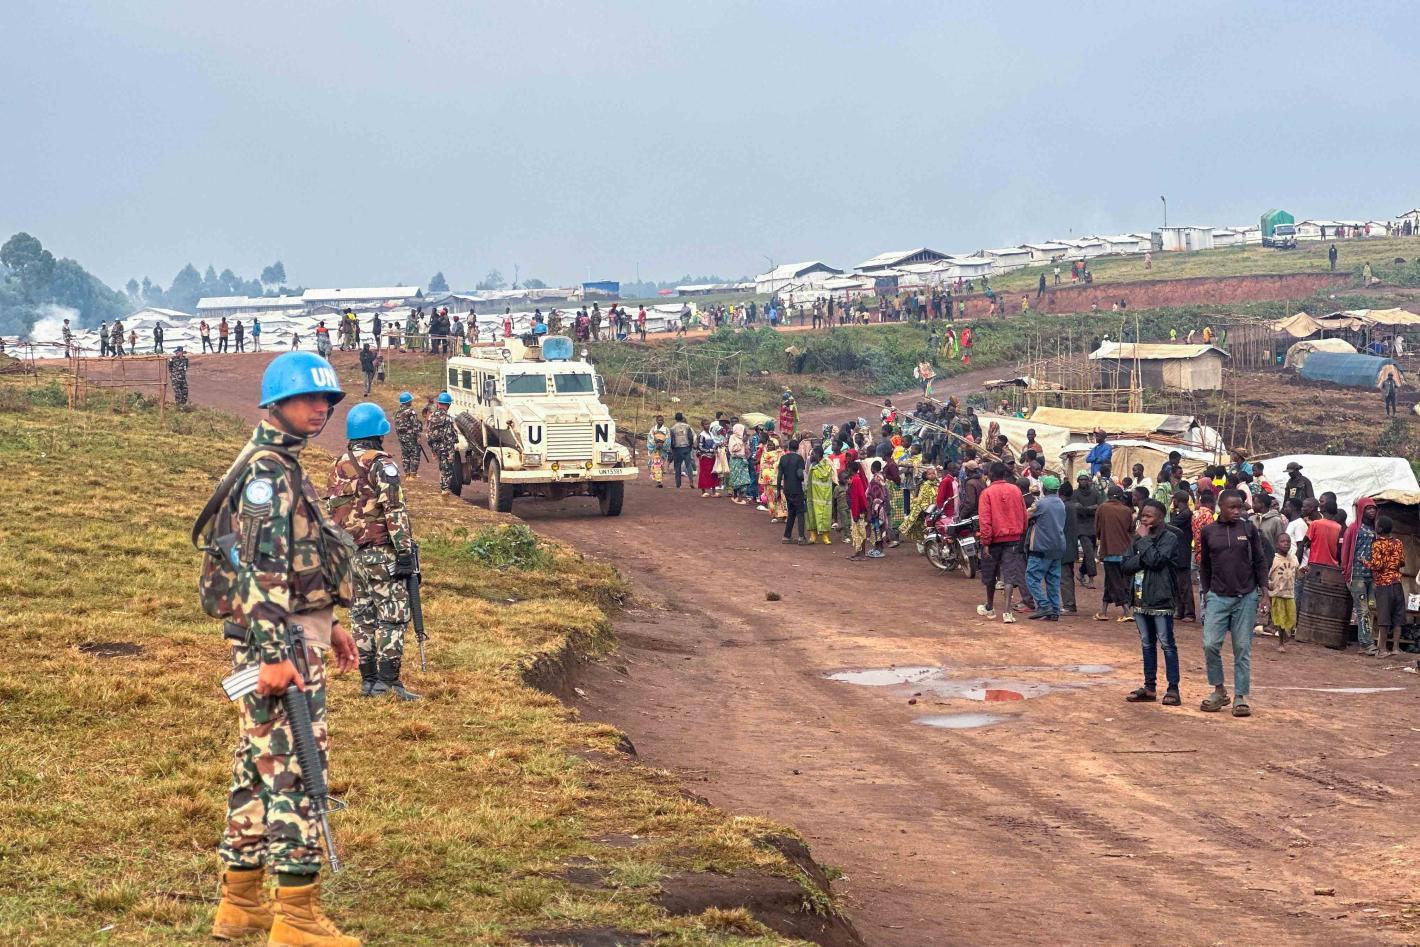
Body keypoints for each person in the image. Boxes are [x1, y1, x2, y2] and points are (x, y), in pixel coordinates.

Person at [200, 350, 360, 946]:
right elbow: (262, 573)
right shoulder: (268, 473)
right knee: (294, 771)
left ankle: (239, 905)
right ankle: (296, 918)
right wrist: (274, 657)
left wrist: (330, 620)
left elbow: (298, 562)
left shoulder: (284, 464)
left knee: (256, 770)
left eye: (327, 400)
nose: (321, 409)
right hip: (280, 644)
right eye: (310, 399)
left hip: (294, 631)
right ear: (277, 403)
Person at [325, 402, 419, 701]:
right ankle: (389, 683)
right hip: (381, 551)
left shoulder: (339, 464)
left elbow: (334, 511)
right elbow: (394, 509)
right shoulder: (382, 464)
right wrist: (404, 552)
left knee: (362, 615)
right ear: (378, 432)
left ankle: (368, 682)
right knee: (392, 615)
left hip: (352, 555)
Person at [1198, 489, 1268, 717]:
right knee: (1210, 644)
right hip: (1217, 596)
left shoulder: (1249, 529)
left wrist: (1264, 591)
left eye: (1240, 507)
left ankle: (1240, 697)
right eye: (1233, 507)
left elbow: (1259, 560)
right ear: (1221, 507)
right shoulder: (1208, 531)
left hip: (1246, 597)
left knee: (1242, 648)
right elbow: (1205, 565)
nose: (1238, 511)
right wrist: (1208, 593)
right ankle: (1219, 690)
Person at [1122, 499, 1182, 705]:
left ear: (1160, 517)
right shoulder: (1138, 537)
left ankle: (1173, 688)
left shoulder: (1170, 538)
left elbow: (1157, 561)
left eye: (1149, 515)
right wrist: (1143, 554)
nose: (1143, 518)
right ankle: (1149, 687)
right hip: (1139, 598)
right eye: (1142, 515)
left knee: (1167, 644)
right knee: (1147, 643)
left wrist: (1144, 544)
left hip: (1161, 599)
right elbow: (1126, 565)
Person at [977, 461, 1027, 623]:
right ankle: (1007, 612)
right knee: (1009, 575)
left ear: (991, 475)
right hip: (1013, 538)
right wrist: (1021, 531)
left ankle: (990, 606)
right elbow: (1023, 513)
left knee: (990, 574)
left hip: (993, 540)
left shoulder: (987, 493)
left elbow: (985, 520)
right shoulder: (1016, 490)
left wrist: (985, 542)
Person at [1025, 476, 1066, 620]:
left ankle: (1044, 605)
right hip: (1058, 546)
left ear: (1044, 488)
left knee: (1031, 577)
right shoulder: (1060, 503)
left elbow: (1026, 516)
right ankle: (1055, 611)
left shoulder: (1041, 504)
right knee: (1053, 580)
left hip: (1041, 547)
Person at [1340, 497, 1378, 654]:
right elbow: (1346, 550)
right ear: (1361, 509)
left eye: (1374, 508)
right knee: (1362, 609)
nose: (1372, 511)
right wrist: (1345, 571)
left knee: (1370, 608)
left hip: (1372, 576)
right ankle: (1366, 644)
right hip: (1357, 576)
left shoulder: (1376, 529)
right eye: (1368, 508)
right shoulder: (1353, 529)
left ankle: (1366, 641)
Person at [1366, 516, 1407, 657]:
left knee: (1383, 617)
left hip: (1384, 584)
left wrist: (1365, 562)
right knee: (1398, 616)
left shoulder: (1377, 545)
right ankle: (1396, 647)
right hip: (1397, 583)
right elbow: (1402, 562)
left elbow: (1378, 565)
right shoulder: (1398, 543)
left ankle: (1382, 649)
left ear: (1380, 529)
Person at [1094, 487, 1135, 621]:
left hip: (1110, 551)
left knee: (1116, 582)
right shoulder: (1127, 510)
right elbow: (1131, 529)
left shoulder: (1102, 508)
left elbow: (1097, 530)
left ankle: (1127, 612)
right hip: (1126, 551)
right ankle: (1103, 611)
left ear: (1108, 495)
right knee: (1111, 581)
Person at [1269, 533, 1299, 652]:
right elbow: (1269, 576)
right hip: (1277, 593)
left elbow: (1298, 574)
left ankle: (1288, 634)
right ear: (1277, 544)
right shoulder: (1274, 559)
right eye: (1282, 541)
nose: (1286, 544)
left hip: (1290, 593)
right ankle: (1281, 643)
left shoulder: (1294, 559)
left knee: (1291, 619)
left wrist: (1303, 571)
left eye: (1288, 541)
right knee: (1280, 620)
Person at [425, 392, 459, 494]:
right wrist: (451, 453)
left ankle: (442, 487)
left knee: (441, 467)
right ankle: (444, 490)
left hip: (436, 447)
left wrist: (433, 450)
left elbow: (429, 435)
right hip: (445, 447)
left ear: (438, 404)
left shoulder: (431, 417)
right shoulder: (447, 418)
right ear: (448, 405)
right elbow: (449, 436)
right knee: (447, 470)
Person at [778, 438, 808, 544]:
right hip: (797, 489)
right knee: (800, 512)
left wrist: (778, 490)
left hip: (787, 489)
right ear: (798, 448)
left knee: (791, 512)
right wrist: (802, 480)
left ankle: (787, 536)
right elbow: (800, 474)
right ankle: (801, 537)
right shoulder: (799, 459)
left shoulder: (783, 458)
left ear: (789, 447)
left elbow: (779, 475)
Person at [1074, 473, 1100, 588]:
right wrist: (1090, 509)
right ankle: (1091, 579)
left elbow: (1099, 506)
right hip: (1081, 527)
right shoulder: (1075, 493)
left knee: (1089, 553)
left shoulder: (1095, 493)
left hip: (1093, 526)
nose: (1083, 482)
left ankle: (1081, 572)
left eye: (1085, 479)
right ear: (1078, 481)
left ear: (1089, 481)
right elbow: (1076, 508)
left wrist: (1084, 509)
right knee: (1089, 552)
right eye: (1081, 479)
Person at [806, 447, 836, 545]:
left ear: (817, 455)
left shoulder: (826, 463)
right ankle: (813, 536)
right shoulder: (813, 465)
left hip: (824, 496)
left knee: (824, 515)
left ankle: (825, 536)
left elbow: (828, 475)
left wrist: (815, 467)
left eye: (812, 454)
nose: (810, 456)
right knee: (812, 514)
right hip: (813, 496)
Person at [394, 391, 422, 477]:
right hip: (410, 437)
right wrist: (418, 436)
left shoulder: (397, 412)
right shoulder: (410, 412)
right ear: (407, 402)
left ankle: (407, 474)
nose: (411, 402)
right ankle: (413, 473)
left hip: (401, 437)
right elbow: (415, 424)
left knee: (405, 454)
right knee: (415, 453)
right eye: (410, 400)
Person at [727, 423, 752, 503]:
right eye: (742, 430)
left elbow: (747, 448)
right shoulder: (732, 437)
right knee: (735, 479)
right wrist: (742, 442)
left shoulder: (744, 438)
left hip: (743, 460)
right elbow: (733, 448)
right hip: (735, 460)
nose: (743, 431)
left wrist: (745, 442)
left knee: (744, 479)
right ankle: (735, 495)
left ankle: (740, 497)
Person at [696, 419, 721, 498]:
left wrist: (716, 446)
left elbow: (714, 443)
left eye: (708, 424)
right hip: (705, 457)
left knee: (713, 473)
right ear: (702, 426)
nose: (707, 426)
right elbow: (700, 447)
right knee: (704, 474)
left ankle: (713, 491)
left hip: (712, 456)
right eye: (705, 424)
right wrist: (710, 450)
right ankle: (703, 491)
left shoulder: (711, 434)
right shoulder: (702, 435)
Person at [646, 414, 669, 488]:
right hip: (655, 449)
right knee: (656, 465)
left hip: (662, 450)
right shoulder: (653, 429)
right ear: (656, 421)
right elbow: (650, 438)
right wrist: (656, 445)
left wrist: (662, 445)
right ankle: (659, 481)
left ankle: (659, 480)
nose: (660, 421)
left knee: (661, 465)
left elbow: (668, 439)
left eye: (662, 420)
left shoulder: (666, 429)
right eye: (659, 420)